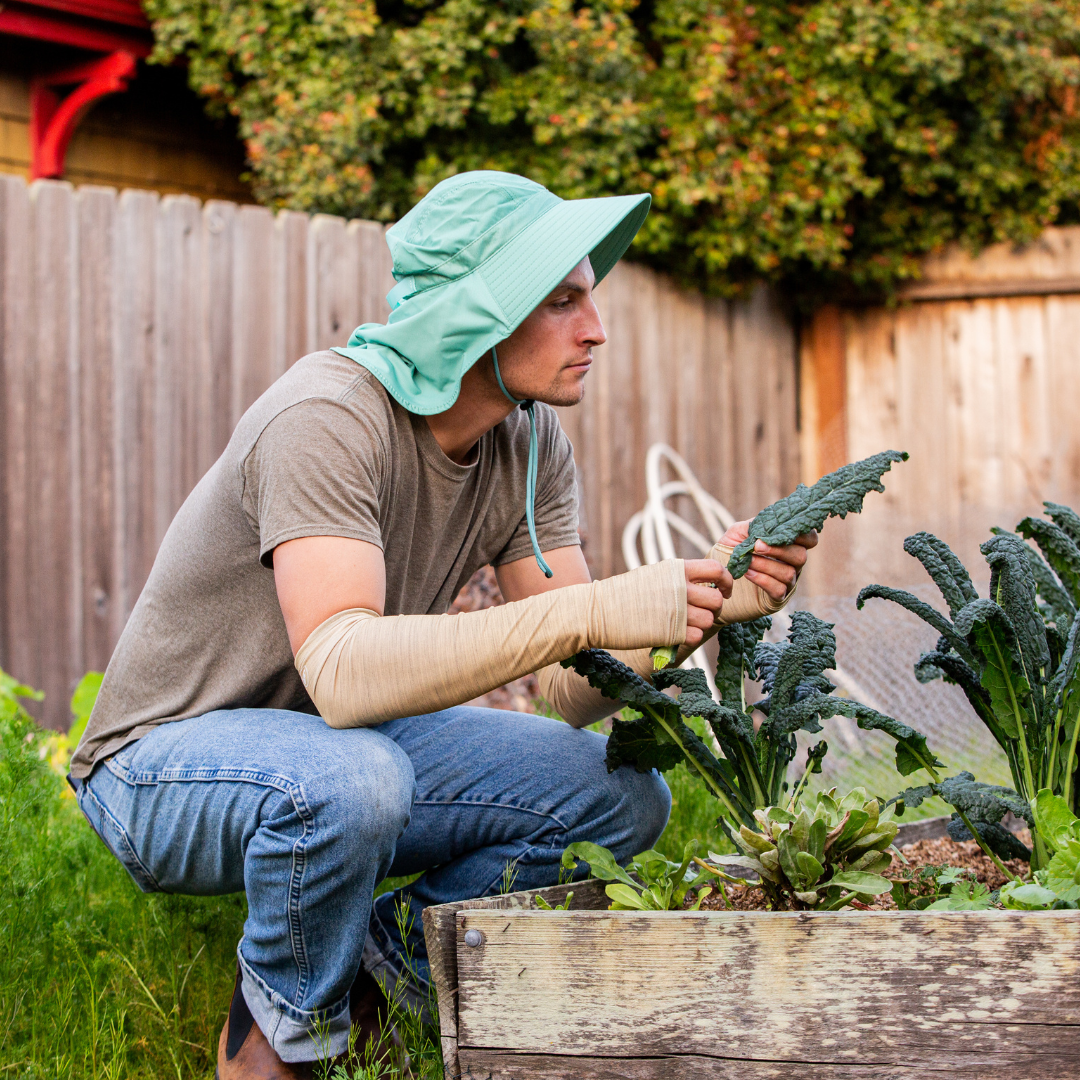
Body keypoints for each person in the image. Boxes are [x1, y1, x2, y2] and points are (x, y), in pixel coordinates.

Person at [68, 171, 815, 1078]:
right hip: (161, 765)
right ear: (480, 313)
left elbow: (571, 691)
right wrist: (590, 607)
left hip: (338, 750)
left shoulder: (529, 443)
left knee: (620, 793)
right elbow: (342, 671)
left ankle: (381, 978)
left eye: (592, 296)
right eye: (562, 300)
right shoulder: (328, 416)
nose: (597, 327)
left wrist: (702, 606)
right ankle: (272, 1052)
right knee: (354, 778)